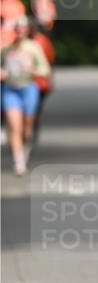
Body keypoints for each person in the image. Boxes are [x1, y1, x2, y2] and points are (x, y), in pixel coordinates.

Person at [1, 15, 52, 174]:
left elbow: (45, 70)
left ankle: (25, 147)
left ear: (28, 30)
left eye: (23, 28)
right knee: (14, 126)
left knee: (26, 128)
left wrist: (32, 70)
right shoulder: (6, 50)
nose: (20, 31)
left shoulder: (33, 48)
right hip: (10, 89)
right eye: (17, 28)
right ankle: (18, 161)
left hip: (29, 89)